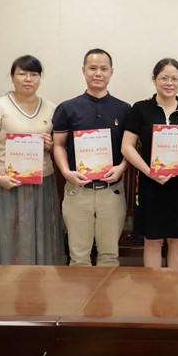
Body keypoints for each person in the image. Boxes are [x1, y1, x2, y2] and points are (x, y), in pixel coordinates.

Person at [0, 55, 66, 265]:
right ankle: (9, 282)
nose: (28, 79)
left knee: (44, 234)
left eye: (34, 74)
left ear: (40, 78)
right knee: (11, 237)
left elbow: (57, 145)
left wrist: (49, 145)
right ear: (12, 77)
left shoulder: (51, 108)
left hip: (42, 182)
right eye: (22, 74)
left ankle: (43, 281)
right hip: (9, 183)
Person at [52, 49, 131, 266]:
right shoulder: (67, 108)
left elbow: (131, 148)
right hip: (78, 191)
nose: (98, 73)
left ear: (111, 72)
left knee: (109, 256)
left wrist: (122, 167)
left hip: (111, 191)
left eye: (103, 69)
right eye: (93, 68)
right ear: (83, 70)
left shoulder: (124, 109)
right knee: (78, 257)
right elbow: (58, 145)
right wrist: (65, 172)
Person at [121, 58, 178, 268]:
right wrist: (150, 172)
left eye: (175, 78)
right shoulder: (141, 109)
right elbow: (127, 147)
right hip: (150, 183)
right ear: (154, 79)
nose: (169, 83)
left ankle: (174, 287)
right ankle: (154, 287)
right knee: (152, 240)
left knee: (177, 239)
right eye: (164, 78)